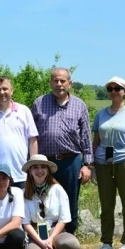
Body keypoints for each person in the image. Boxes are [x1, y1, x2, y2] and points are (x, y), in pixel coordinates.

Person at [32, 67, 93, 235]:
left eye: (63, 81)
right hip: (44, 163)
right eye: (55, 80)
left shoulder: (79, 105)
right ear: (50, 82)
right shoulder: (39, 103)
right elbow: (31, 136)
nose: (59, 84)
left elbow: (86, 137)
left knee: (69, 201)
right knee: (42, 201)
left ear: (70, 83)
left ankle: (67, 241)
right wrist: (32, 161)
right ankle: (44, 240)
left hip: (70, 161)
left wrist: (87, 164)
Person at [92, 77, 125, 249]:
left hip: (124, 162)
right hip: (103, 163)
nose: (114, 92)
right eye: (110, 88)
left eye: (117, 88)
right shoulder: (101, 114)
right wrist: (91, 165)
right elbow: (96, 141)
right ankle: (106, 243)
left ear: (124, 92)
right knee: (106, 206)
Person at [21, 155, 81, 249]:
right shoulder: (24, 194)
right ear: (30, 171)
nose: (39, 171)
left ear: (48, 171)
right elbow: (26, 223)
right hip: (36, 233)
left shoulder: (57, 189)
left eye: (43, 167)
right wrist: (42, 243)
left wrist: (51, 239)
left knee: (72, 244)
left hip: (55, 231)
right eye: (35, 167)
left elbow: (64, 219)